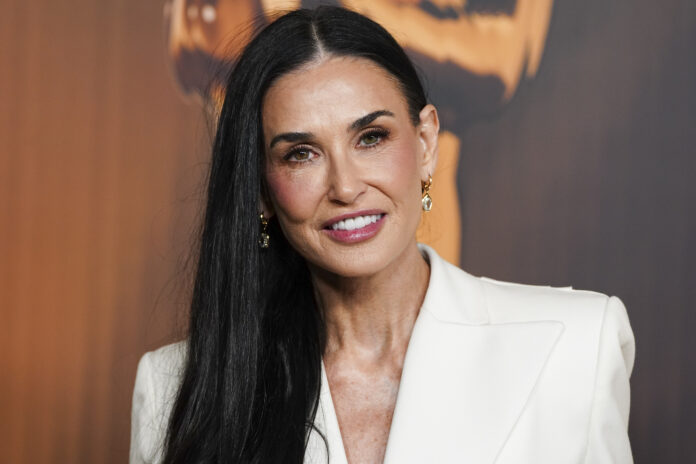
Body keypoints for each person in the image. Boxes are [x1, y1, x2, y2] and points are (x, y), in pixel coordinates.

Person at [130, 5, 635, 464]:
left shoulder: (578, 347)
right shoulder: (175, 386)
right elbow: (194, 34)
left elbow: (503, 55)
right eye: (300, 153)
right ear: (260, 188)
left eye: (371, 137)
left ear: (425, 143)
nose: (346, 187)